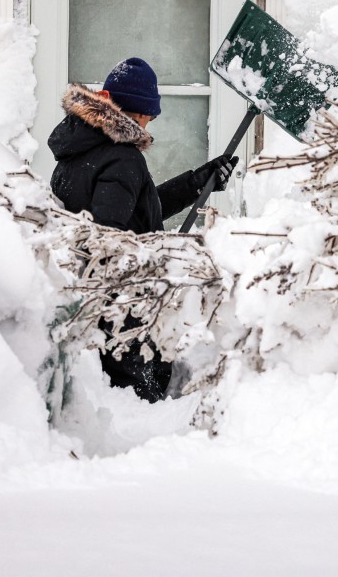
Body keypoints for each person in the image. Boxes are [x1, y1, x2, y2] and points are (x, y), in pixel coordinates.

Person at [48, 56, 237, 402]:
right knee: (140, 406)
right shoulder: (123, 158)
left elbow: (136, 211)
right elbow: (110, 243)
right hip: (124, 317)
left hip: (90, 305)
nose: (151, 121)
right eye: (149, 113)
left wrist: (198, 182)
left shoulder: (80, 149)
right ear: (133, 112)